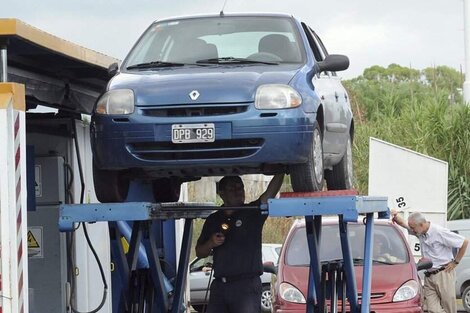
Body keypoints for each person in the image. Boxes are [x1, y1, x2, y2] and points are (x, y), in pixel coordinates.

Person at [195, 174, 284, 313]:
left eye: (240, 187)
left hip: (246, 286)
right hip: (220, 286)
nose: (238, 191)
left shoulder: (252, 212)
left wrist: (282, 170)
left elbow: (269, 193)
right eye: (232, 189)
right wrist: (210, 243)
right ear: (221, 193)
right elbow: (199, 252)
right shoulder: (213, 219)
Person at [391, 209, 468, 313]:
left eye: (413, 228)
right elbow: (404, 224)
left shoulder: (439, 232)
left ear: (421, 225)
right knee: (431, 309)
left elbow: (464, 242)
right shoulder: (420, 231)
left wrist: (456, 262)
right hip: (429, 275)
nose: (412, 231)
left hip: (443, 274)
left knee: (449, 307)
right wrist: (395, 216)